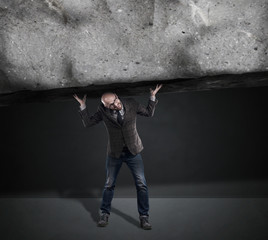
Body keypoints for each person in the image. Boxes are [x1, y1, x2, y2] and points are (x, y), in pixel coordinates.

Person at [73, 84, 162, 230]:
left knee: (142, 185)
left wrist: (152, 97)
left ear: (116, 95)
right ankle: (104, 214)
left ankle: (144, 217)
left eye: (116, 100)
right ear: (106, 106)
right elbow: (88, 123)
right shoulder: (102, 110)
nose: (116, 104)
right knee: (109, 185)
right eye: (111, 104)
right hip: (115, 153)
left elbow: (148, 113)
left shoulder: (131, 103)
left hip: (133, 151)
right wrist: (83, 106)